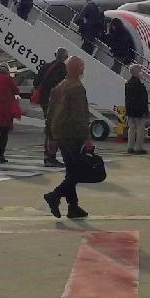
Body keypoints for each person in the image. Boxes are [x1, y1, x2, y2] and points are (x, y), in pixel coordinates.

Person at [42, 56, 91, 219]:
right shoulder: (77, 87)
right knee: (78, 171)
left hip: (60, 134)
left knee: (71, 171)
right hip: (72, 134)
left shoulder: (59, 87)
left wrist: (50, 137)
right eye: (82, 67)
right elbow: (80, 116)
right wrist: (87, 138)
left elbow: (49, 114)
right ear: (78, 69)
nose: (83, 71)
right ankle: (55, 195)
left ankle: (73, 206)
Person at [35, 47, 70, 166]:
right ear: (65, 57)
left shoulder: (46, 66)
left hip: (45, 101)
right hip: (56, 103)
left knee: (50, 129)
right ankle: (50, 157)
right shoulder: (64, 69)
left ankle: (48, 156)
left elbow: (36, 82)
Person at [124, 63, 150, 154]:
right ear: (137, 72)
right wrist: (145, 111)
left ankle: (130, 146)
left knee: (131, 128)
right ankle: (138, 147)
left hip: (130, 110)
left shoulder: (128, 83)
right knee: (140, 128)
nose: (141, 72)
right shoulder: (139, 85)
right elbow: (142, 100)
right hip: (139, 110)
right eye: (140, 70)